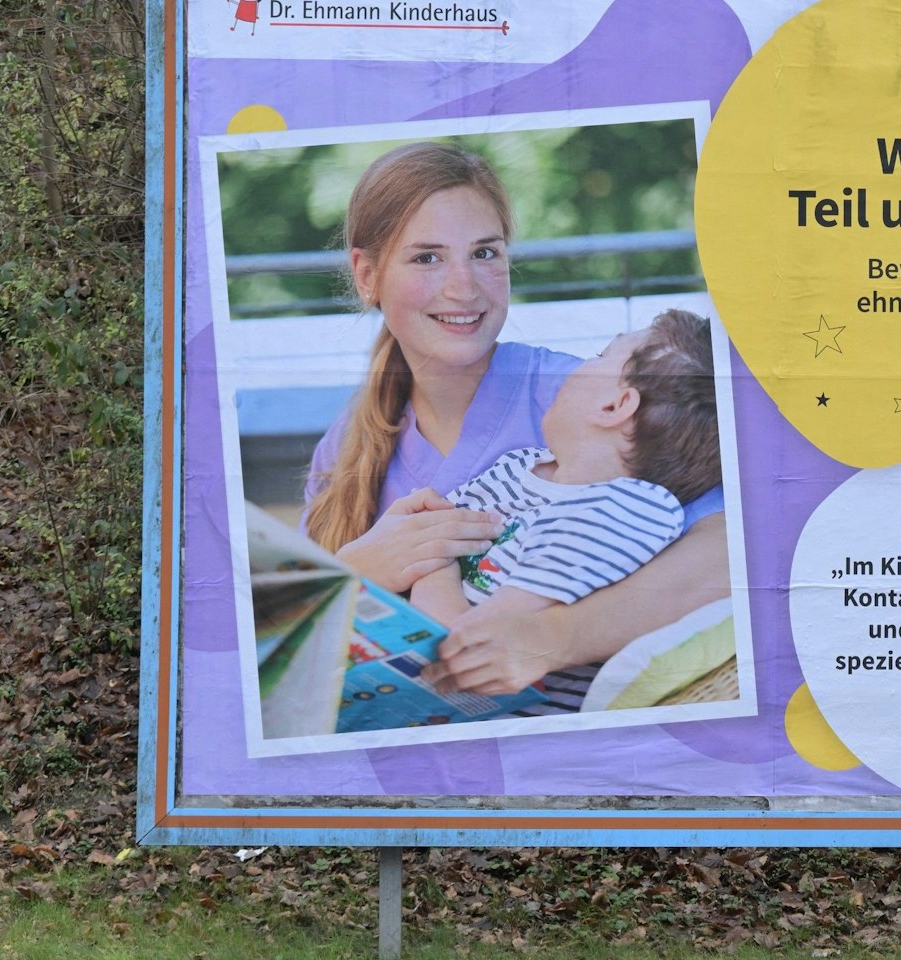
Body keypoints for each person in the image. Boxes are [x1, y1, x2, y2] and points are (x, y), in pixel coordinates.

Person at [301, 142, 729, 700]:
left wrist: (556, 635)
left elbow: (730, 552)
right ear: (367, 275)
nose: (465, 287)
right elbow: (294, 652)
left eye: (485, 253)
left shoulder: (596, 405)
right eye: (427, 257)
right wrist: (357, 572)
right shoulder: (343, 451)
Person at [409, 309, 720, 712]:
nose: (579, 367)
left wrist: (432, 557)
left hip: (501, 723)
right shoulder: (517, 467)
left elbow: (470, 645)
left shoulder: (625, 510)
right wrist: (429, 545)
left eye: (599, 356)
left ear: (615, 406)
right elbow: (428, 540)